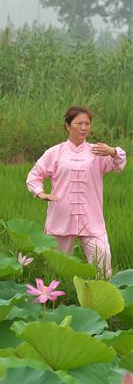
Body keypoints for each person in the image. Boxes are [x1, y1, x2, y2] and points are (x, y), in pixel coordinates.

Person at [26, 106, 126, 277]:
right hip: (61, 216)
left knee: (103, 263)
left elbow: (118, 165)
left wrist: (113, 151)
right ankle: (57, 301)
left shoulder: (97, 151)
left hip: (91, 219)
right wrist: (40, 193)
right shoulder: (55, 152)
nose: (84, 128)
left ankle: (100, 301)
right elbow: (35, 175)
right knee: (57, 269)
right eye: (79, 123)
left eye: (87, 124)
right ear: (67, 126)